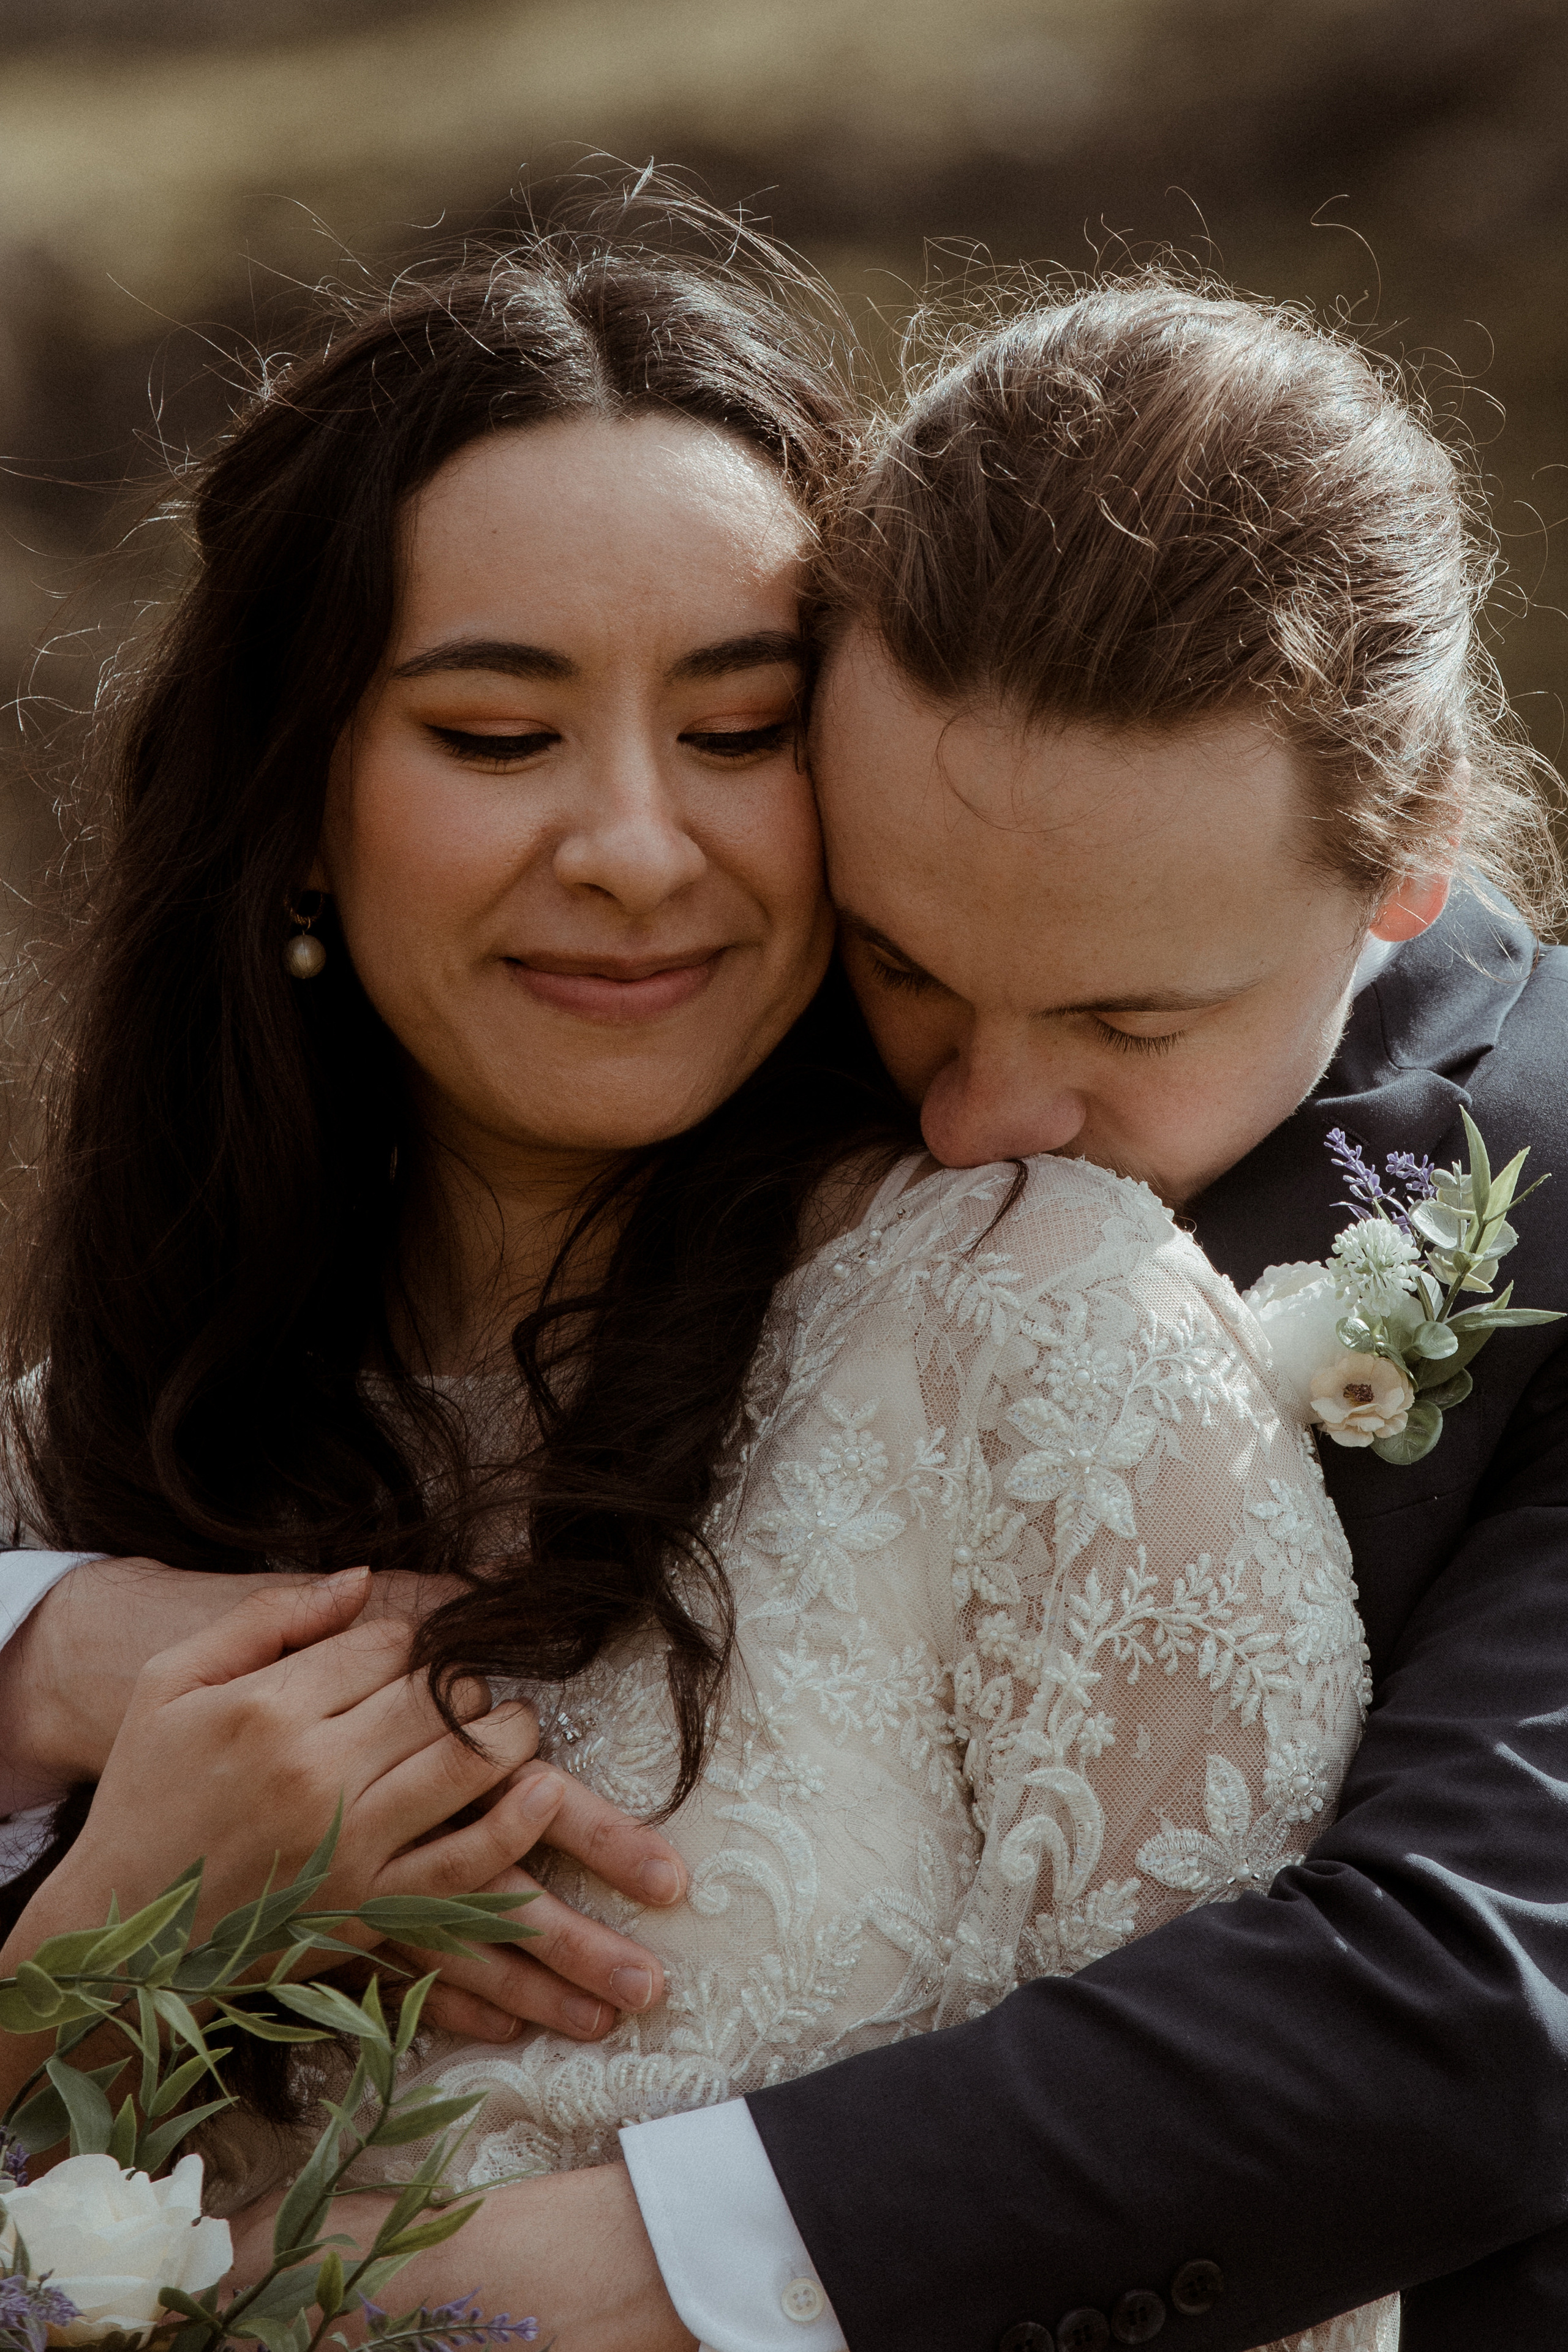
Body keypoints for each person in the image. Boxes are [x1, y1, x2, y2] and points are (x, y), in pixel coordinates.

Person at [0, 257, 1560, 2352]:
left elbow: (1449, 2010)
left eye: (734, 727)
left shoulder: (1048, 1307)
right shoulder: (79, 1451)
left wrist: (482, 2299)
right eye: (493, 729)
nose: (993, 1107)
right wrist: (102, 1917)